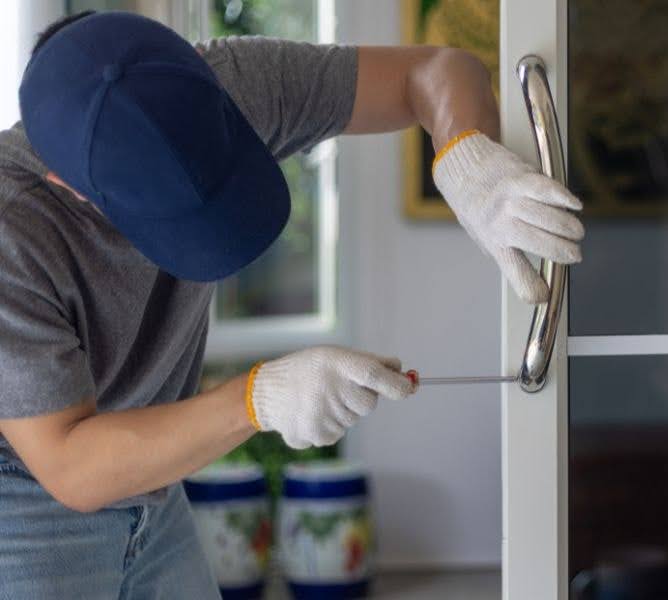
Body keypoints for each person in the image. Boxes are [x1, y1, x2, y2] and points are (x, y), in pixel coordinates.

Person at [0, 10, 584, 598]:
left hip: (154, 491)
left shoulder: (221, 83)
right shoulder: (11, 233)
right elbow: (71, 466)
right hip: (26, 501)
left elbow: (434, 70)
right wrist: (258, 399)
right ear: (65, 182)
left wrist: (464, 154)